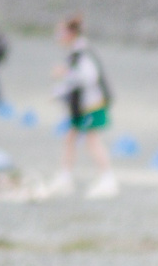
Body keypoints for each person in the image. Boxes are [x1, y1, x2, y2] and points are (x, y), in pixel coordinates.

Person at [45, 15, 117, 199]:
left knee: (92, 140)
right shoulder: (75, 53)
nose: (58, 37)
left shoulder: (83, 53)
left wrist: (64, 73)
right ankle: (65, 177)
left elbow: (87, 77)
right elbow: (73, 81)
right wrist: (58, 92)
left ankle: (108, 179)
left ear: (71, 33)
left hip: (92, 104)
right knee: (70, 138)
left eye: (61, 32)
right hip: (80, 105)